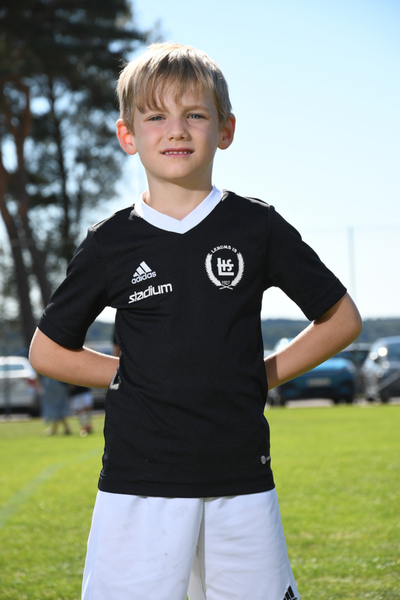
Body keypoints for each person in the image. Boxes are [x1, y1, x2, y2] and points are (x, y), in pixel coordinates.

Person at [29, 42, 362, 600]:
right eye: (156, 117)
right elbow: (47, 351)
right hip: (140, 481)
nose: (176, 130)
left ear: (225, 129)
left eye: (195, 115)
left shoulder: (257, 227)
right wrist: (128, 376)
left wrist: (260, 375)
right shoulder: (111, 242)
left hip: (240, 477)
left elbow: (342, 319)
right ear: (128, 135)